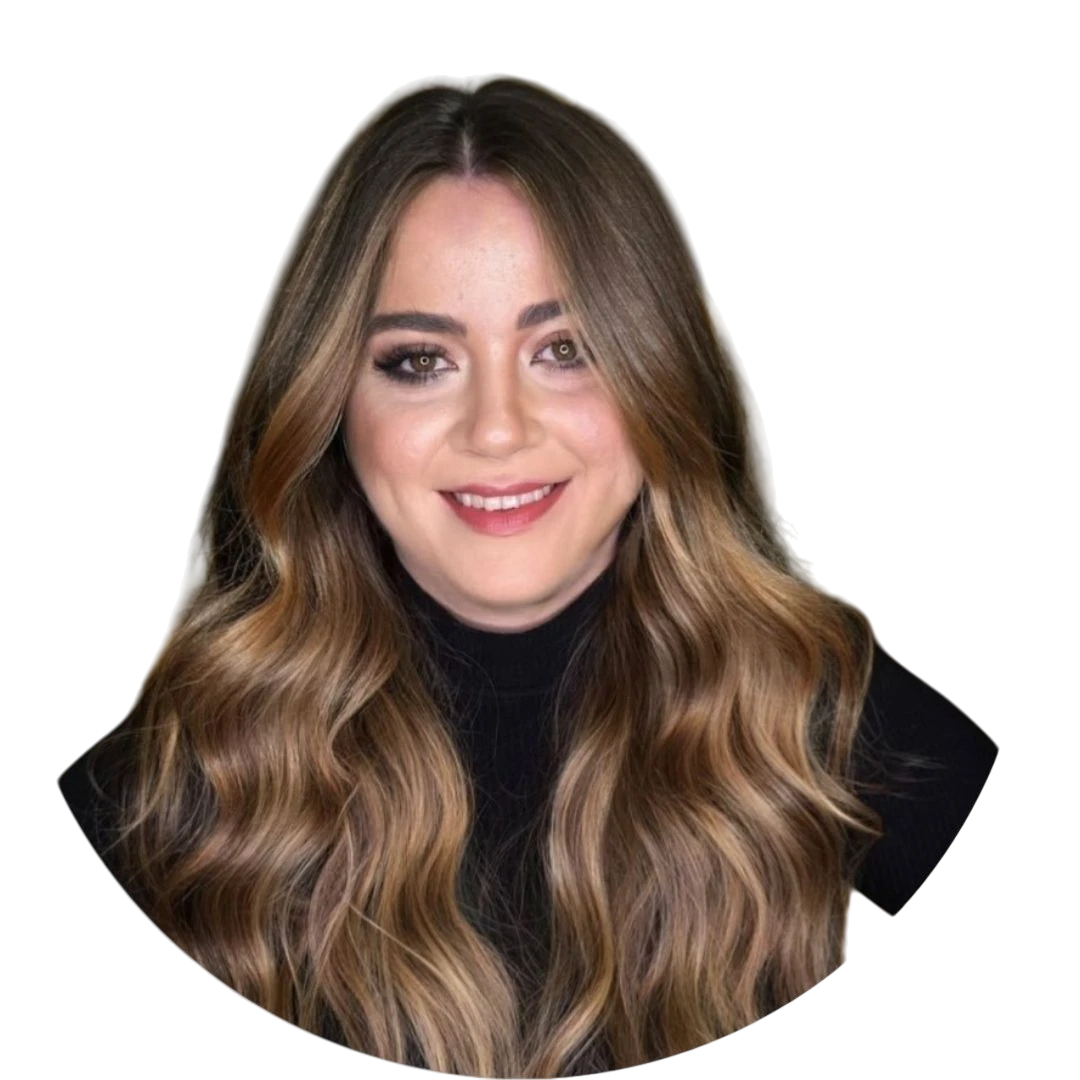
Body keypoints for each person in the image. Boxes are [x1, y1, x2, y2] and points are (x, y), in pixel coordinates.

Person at [58, 73, 994, 1079]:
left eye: (566, 348)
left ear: (662, 381)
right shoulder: (153, 796)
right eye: (420, 361)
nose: (498, 430)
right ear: (330, 404)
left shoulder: (844, 730)